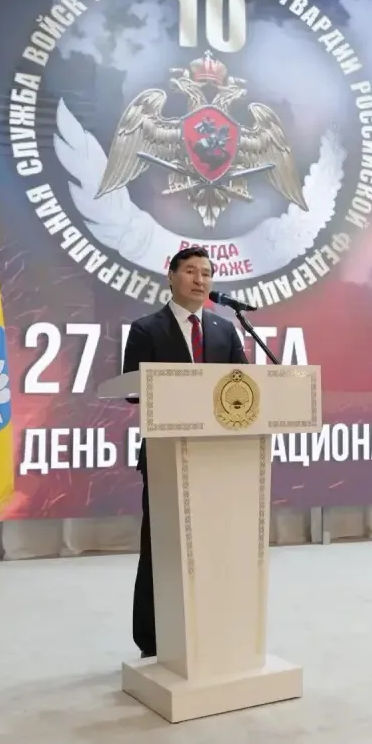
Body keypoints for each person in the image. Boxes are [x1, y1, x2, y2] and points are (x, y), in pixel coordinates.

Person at [121, 245, 248, 656]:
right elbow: (132, 389)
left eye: (206, 273)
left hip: (217, 455)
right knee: (161, 547)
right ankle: (152, 638)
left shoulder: (225, 330)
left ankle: (212, 630)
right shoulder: (146, 329)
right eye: (191, 271)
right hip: (166, 454)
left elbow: (244, 387)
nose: (200, 279)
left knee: (215, 547)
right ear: (171, 277)